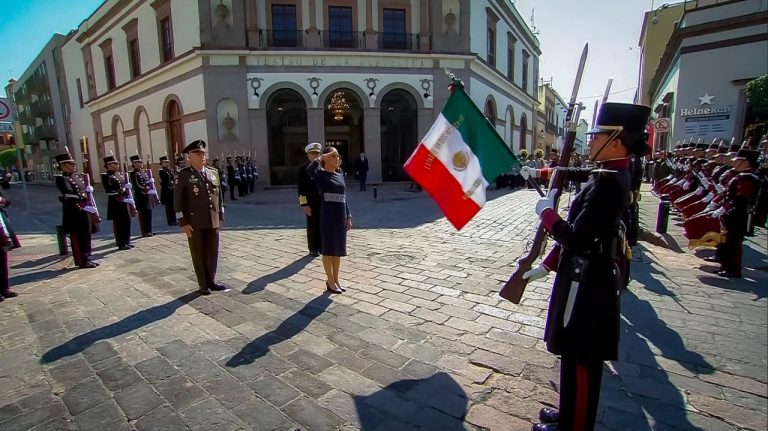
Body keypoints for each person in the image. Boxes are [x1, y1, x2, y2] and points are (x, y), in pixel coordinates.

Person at [521, 102, 651, 431]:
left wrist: (547, 215)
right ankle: (568, 414)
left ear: (618, 141)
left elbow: (577, 237)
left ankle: (574, 427)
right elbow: (575, 179)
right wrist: (549, 264)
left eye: (597, 137)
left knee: (581, 359)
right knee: (571, 355)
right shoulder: (609, 173)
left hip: (589, 284)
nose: (590, 142)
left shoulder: (611, 183)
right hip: (583, 275)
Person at [174, 139, 229, 295]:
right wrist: (183, 222)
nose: (201, 155)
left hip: (212, 220)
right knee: (198, 253)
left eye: (203, 153)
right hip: (194, 221)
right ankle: (203, 284)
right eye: (197, 153)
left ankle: (212, 280)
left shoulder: (213, 172)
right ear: (189, 157)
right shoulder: (183, 175)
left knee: (213, 251)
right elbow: (178, 202)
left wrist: (220, 216)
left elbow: (219, 197)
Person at [307, 146, 352, 294]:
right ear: (326, 158)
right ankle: (330, 280)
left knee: (338, 250)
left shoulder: (340, 175)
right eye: (333, 156)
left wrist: (348, 215)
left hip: (340, 217)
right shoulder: (321, 175)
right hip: (328, 216)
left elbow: (345, 198)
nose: (337, 159)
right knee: (328, 250)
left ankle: (336, 279)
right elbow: (309, 171)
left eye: (338, 156)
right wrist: (319, 158)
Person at [55, 151, 99, 269]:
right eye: (71, 164)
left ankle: (87, 257)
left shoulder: (77, 176)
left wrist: (89, 190)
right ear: (63, 165)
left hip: (85, 209)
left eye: (74, 164)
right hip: (74, 211)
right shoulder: (61, 179)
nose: (74, 166)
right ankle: (81, 260)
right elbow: (68, 194)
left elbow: (84, 189)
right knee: (77, 236)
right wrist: (84, 197)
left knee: (86, 234)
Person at [101, 155, 134, 250]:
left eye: (117, 163)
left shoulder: (118, 174)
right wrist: (122, 191)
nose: (117, 165)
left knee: (126, 221)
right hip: (115, 202)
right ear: (108, 165)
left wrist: (127, 187)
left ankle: (127, 241)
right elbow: (109, 190)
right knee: (119, 223)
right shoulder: (106, 176)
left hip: (124, 202)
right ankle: (121, 243)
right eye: (115, 163)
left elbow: (123, 184)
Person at [298, 142, 323, 257]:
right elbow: (301, 189)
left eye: (317, 153)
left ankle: (322, 245)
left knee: (322, 224)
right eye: (312, 153)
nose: (315, 156)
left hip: (323, 201)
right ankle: (313, 248)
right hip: (311, 202)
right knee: (312, 224)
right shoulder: (303, 168)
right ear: (307, 154)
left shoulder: (323, 166)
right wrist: (304, 205)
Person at [0, 190, 21, 302]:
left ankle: (4, 288)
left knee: (3, 257)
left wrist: (1, 200)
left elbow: (7, 201)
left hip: (1, 227)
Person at [129, 155, 154, 237]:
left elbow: (147, 181)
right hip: (140, 195)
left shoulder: (144, 172)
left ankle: (149, 230)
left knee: (149, 213)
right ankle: (144, 231)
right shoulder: (133, 173)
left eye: (141, 161)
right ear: (134, 164)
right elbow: (136, 185)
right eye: (139, 162)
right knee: (143, 214)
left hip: (147, 195)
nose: (141, 163)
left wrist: (150, 184)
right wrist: (145, 188)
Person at [159, 155, 177, 226]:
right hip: (166, 191)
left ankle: (174, 219)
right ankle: (170, 221)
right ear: (162, 163)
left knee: (173, 206)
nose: (166, 163)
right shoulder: (162, 171)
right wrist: (171, 185)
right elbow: (165, 181)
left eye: (167, 162)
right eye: (164, 162)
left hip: (172, 190)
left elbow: (173, 178)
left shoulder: (170, 170)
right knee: (169, 207)